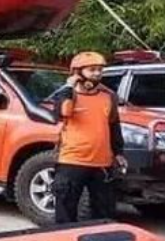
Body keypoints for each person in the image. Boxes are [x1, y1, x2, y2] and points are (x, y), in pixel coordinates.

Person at [51, 52, 127, 225]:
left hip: (102, 163)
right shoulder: (66, 95)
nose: (97, 74)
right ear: (77, 72)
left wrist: (118, 152)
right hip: (72, 161)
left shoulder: (109, 97)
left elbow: (114, 125)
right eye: (92, 70)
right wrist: (69, 88)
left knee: (104, 213)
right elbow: (64, 112)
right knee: (65, 212)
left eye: (100, 70)